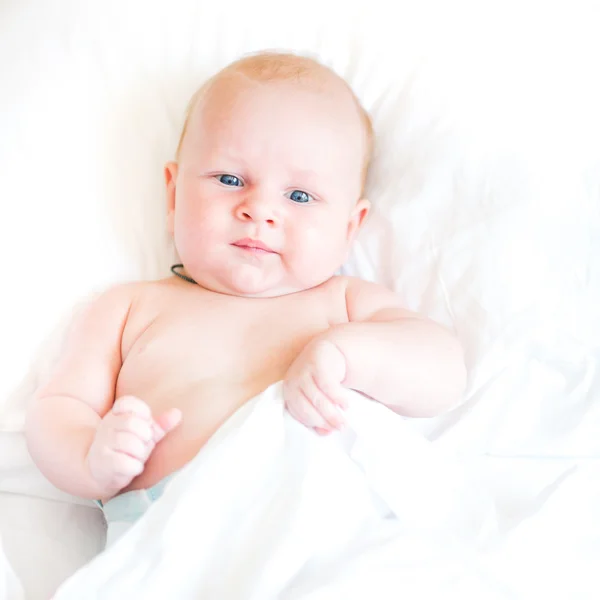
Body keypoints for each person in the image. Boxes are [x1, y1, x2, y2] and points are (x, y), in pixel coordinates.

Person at [25, 51, 467, 544]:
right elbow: (58, 407)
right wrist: (90, 457)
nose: (259, 210)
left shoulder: (345, 305)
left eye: (299, 196)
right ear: (173, 197)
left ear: (350, 228)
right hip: (170, 533)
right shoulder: (127, 309)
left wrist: (345, 354)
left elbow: (445, 373)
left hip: (323, 518)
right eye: (230, 180)